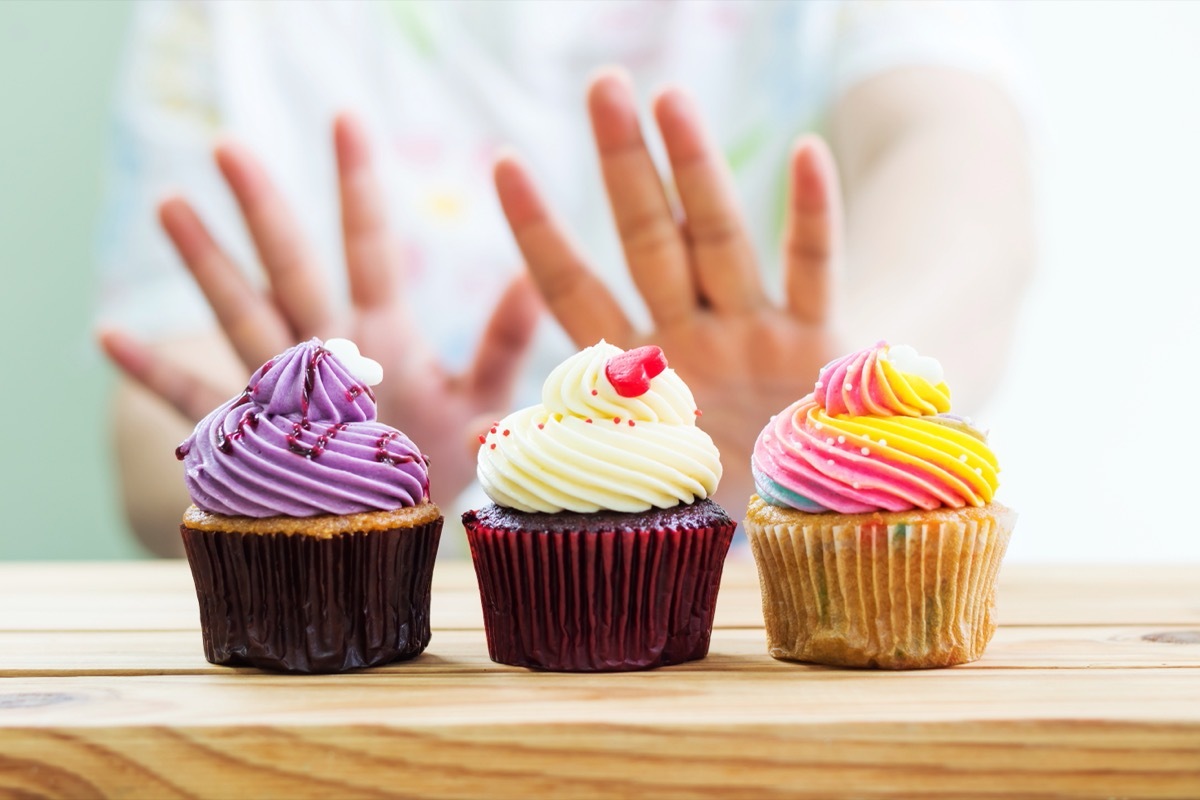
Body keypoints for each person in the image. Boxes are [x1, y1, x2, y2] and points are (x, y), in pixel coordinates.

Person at [96, 1, 1035, 557]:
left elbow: (962, 171)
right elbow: (151, 435)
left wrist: (826, 418)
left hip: (773, 651)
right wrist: (321, 464)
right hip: (399, 685)